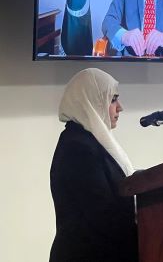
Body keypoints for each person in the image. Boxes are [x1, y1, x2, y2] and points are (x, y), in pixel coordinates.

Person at [49, 68, 138, 262]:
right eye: (113, 99)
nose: (120, 107)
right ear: (91, 100)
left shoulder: (89, 141)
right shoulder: (78, 148)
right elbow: (102, 215)